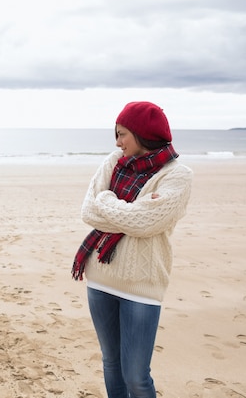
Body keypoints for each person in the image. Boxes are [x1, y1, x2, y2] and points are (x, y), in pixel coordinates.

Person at [71, 101, 193, 398]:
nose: (117, 142)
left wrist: (108, 201)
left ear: (142, 134)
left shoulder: (177, 175)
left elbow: (145, 223)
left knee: (136, 376)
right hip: (100, 276)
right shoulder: (114, 160)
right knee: (112, 364)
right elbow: (89, 211)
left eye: (123, 133)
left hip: (142, 284)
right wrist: (127, 210)